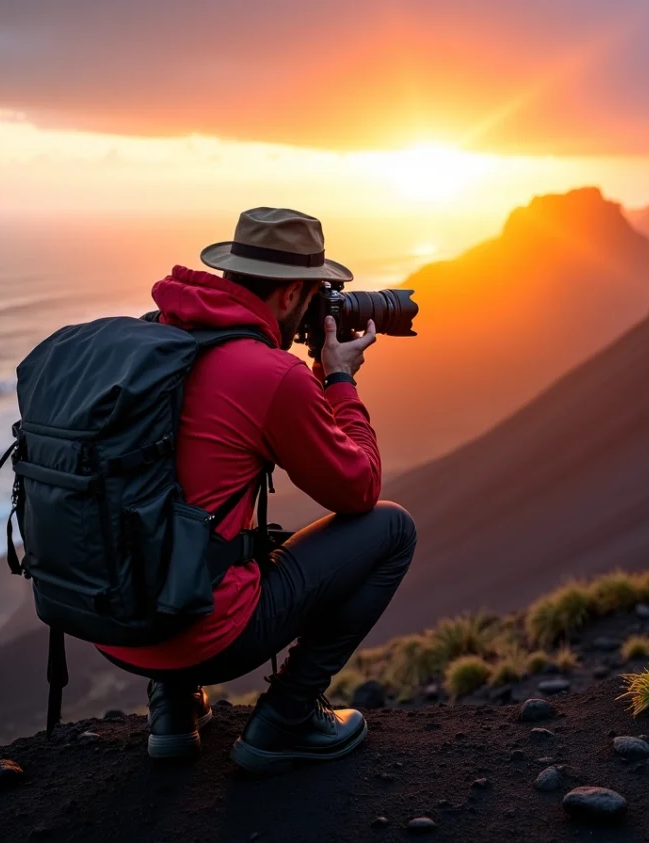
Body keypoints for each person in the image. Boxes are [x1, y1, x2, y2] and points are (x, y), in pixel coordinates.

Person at [98, 208, 417, 775]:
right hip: (210, 635)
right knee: (391, 528)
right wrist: (339, 379)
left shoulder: (151, 342)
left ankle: (172, 708)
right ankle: (286, 720)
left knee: (184, 508)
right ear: (293, 292)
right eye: (319, 293)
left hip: (109, 620)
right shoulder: (271, 374)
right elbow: (358, 489)